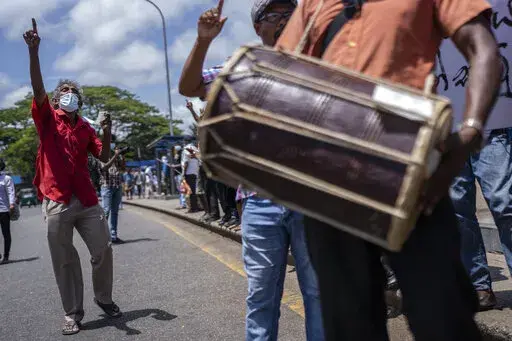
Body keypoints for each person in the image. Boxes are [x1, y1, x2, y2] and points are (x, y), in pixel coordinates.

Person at [276, 1, 502, 340]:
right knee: (350, 328)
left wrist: (470, 130)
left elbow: (482, 47)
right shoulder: (314, 3)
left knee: (444, 319)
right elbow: (281, 74)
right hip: (329, 187)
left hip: (412, 177)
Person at [179, 1, 325, 340]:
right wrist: (203, 40)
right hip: (259, 202)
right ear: (258, 28)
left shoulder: (316, 64)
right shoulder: (239, 68)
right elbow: (189, 88)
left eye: (290, 12)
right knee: (261, 295)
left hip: (310, 200)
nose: (285, 20)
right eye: (274, 15)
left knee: (319, 294)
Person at [24, 19, 122, 335]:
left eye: (73, 92)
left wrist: (106, 131)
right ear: (55, 101)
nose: (69, 94)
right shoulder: (48, 120)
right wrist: (34, 52)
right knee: (64, 259)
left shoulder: (85, 128)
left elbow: (104, 157)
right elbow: (38, 88)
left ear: (80, 101)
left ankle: (103, 299)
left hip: (87, 198)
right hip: (56, 199)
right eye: (64, 91)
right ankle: (73, 312)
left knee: (103, 248)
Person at [99, 146, 125, 244]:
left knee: (115, 212)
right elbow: (104, 168)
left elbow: (123, 169)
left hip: (117, 186)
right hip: (107, 187)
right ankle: (102, 237)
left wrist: (122, 158)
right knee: (106, 211)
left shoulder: (117, 157)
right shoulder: (102, 156)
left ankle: (113, 236)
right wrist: (115, 155)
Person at [0, 159, 15, 265]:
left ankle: (6, 256)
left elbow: (11, 192)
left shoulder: (6, 178)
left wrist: (11, 204)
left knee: (6, 233)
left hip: (4, 210)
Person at [183, 144, 201, 213]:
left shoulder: (186, 150)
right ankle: (196, 207)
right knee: (194, 191)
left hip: (189, 174)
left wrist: (184, 173)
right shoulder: (196, 150)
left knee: (190, 192)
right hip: (196, 173)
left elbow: (186, 163)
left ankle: (193, 208)